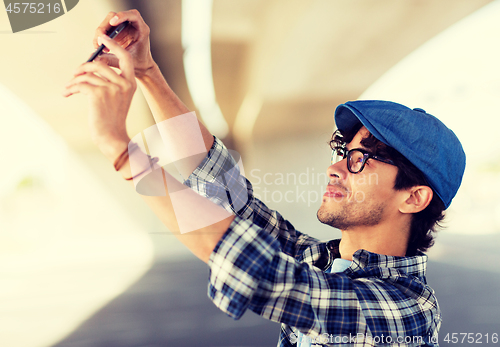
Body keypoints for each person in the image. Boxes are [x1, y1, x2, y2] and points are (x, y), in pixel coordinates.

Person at [63, 10, 466, 347]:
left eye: (361, 158)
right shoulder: (321, 260)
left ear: (414, 198)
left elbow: (260, 273)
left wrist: (122, 151)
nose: (335, 166)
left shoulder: (407, 310)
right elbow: (223, 186)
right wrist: (149, 72)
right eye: (342, 150)